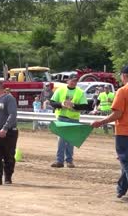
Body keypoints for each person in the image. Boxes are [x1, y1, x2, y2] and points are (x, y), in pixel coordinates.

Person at [92, 66, 128, 199]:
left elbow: (118, 113)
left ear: (124, 76)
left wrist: (101, 122)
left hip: (124, 132)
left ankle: (121, 189)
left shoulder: (123, 91)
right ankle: (121, 188)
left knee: (125, 161)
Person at [50, 75, 90, 168]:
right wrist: (61, 104)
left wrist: (74, 106)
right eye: (72, 81)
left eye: (75, 81)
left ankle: (69, 161)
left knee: (70, 140)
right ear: (68, 81)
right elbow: (52, 102)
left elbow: (84, 106)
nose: (73, 82)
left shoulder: (80, 92)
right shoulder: (60, 90)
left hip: (74, 119)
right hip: (62, 117)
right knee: (61, 140)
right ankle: (59, 161)